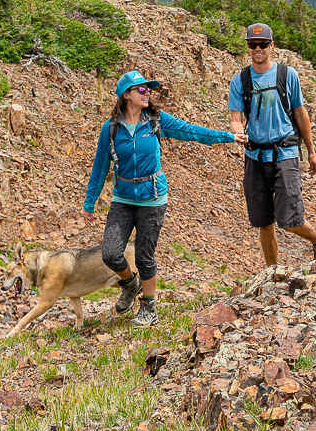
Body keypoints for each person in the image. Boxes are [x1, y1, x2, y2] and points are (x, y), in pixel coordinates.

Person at [84, 70, 248, 326]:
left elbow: (192, 131)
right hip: (123, 199)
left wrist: (229, 137)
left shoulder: (156, 120)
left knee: (143, 256)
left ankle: (149, 308)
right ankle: (130, 283)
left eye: (148, 89)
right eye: (141, 89)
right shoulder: (111, 128)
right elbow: (100, 166)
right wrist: (89, 202)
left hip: (153, 199)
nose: (147, 92)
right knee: (110, 253)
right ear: (126, 95)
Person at [228, 23, 316, 265]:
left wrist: (312, 152)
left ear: (272, 46)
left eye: (263, 44)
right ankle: (272, 272)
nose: (258, 49)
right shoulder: (240, 81)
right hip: (255, 156)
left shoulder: (287, 75)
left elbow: (300, 113)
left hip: (285, 152)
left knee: (290, 218)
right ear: (247, 46)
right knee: (264, 221)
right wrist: (238, 132)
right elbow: (235, 118)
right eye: (253, 45)